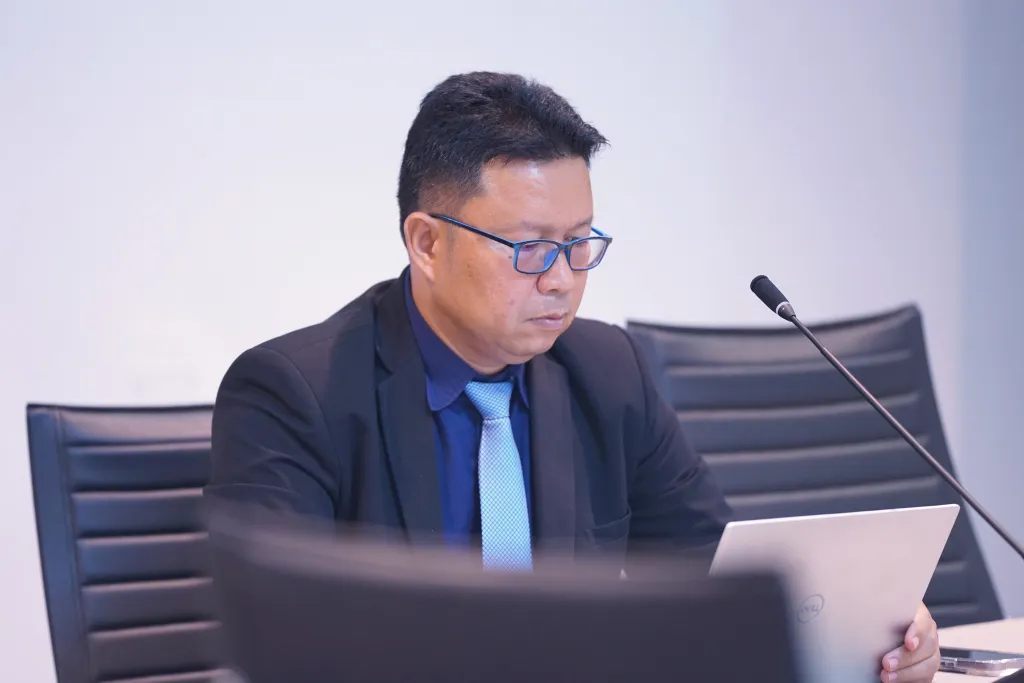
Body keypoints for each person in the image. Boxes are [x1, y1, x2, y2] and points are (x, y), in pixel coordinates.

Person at [205, 71, 940, 682]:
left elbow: (713, 578)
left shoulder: (607, 371)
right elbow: (280, 646)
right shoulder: (293, 393)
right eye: (530, 248)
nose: (562, 279)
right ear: (427, 243)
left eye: (581, 244)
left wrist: (873, 632)